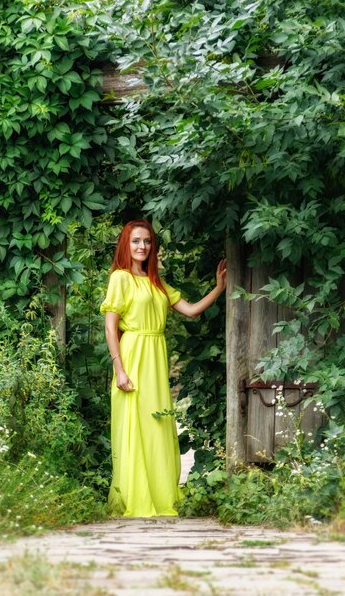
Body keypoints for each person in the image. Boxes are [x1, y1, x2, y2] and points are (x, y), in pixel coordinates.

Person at [100, 220, 227, 517]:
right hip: (132, 354)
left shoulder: (157, 282)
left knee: (157, 425)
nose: (142, 246)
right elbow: (110, 328)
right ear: (125, 245)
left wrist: (219, 288)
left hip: (156, 356)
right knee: (134, 427)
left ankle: (160, 496)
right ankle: (135, 498)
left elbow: (192, 310)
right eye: (135, 241)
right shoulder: (120, 278)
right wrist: (119, 368)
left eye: (146, 241)